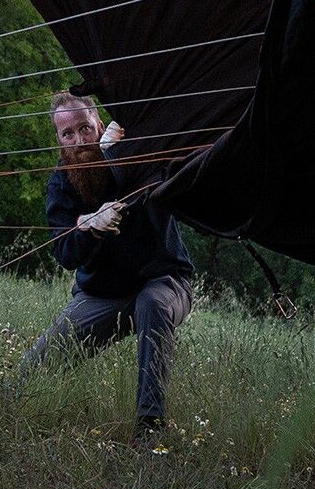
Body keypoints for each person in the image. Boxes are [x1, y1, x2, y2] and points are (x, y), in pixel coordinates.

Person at [26, 89, 192, 436]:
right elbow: (65, 254)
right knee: (30, 374)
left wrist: (115, 156)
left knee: (153, 303)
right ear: (59, 140)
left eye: (85, 128)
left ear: (100, 124)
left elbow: (161, 176)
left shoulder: (133, 152)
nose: (79, 140)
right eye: (67, 134)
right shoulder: (61, 182)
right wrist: (91, 228)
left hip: (164, 281)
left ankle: (150, 428)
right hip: (102, 295)